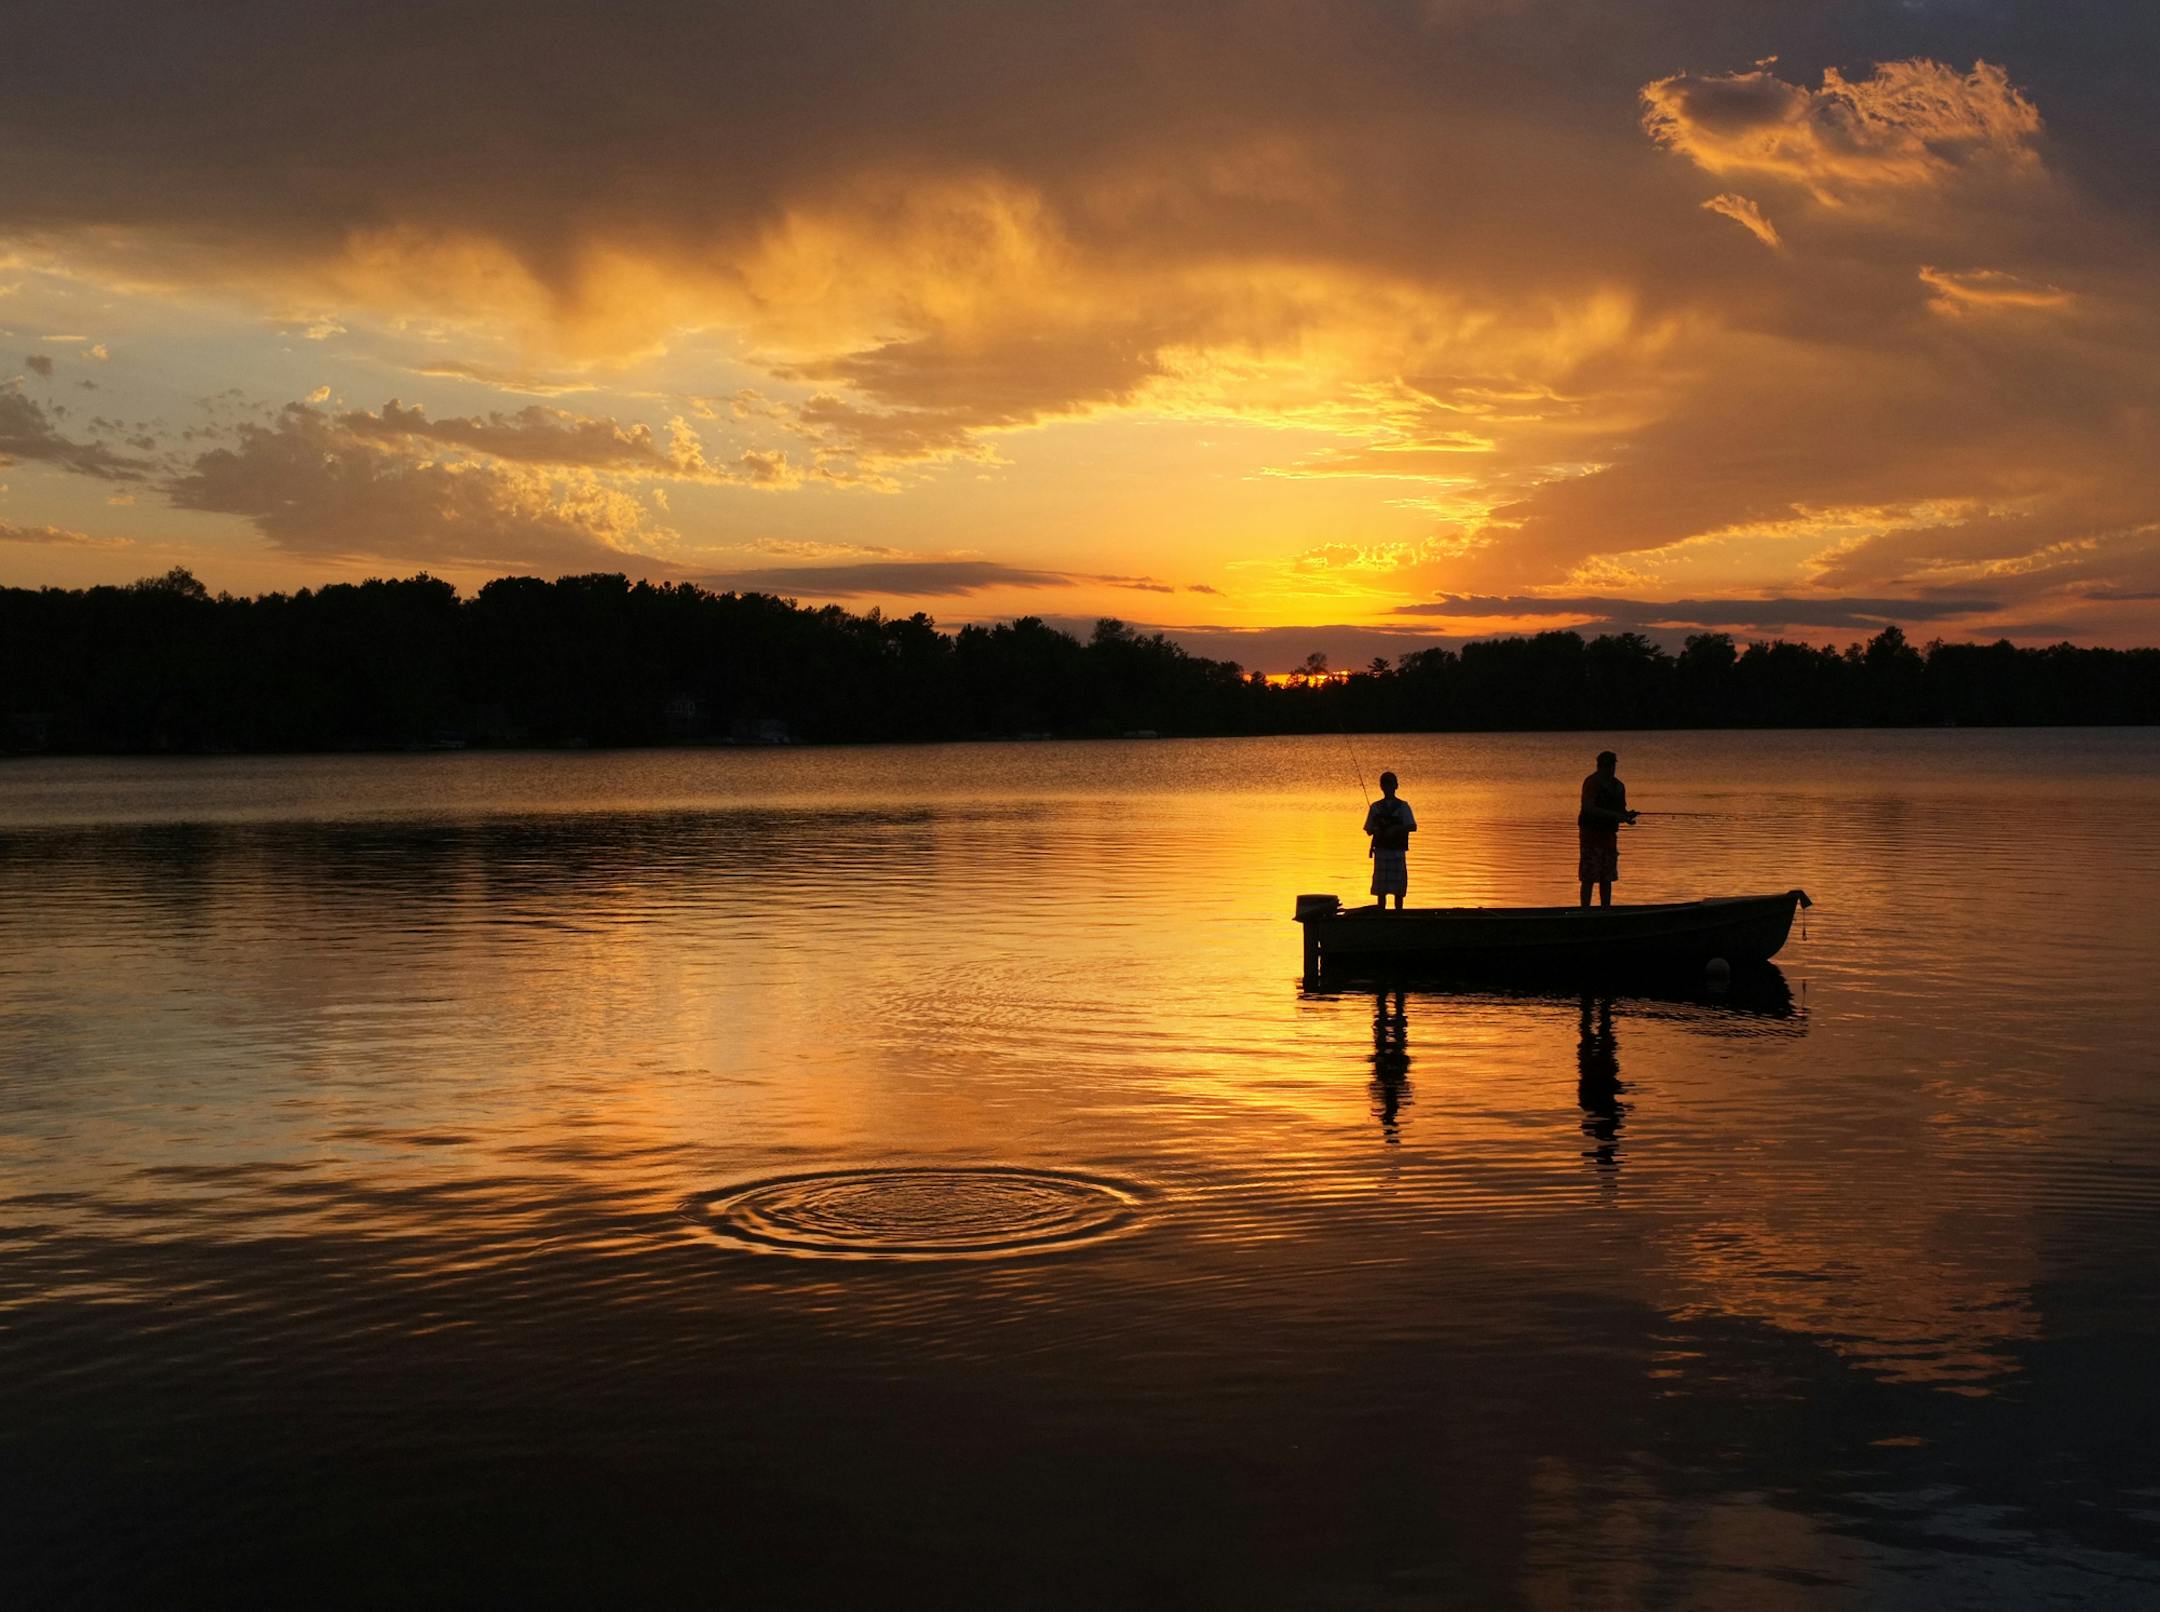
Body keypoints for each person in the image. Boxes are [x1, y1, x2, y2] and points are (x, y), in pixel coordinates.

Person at [1577, 749, 1637, 908]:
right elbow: (1589, 808)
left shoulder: (1618, 786)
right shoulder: (1592, 782)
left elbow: (1620, 811)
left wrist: (1627, 816)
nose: (1610, 768)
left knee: (1607, 877)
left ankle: (1605, 909)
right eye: (1606, 765)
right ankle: (1585, 911)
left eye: (1612, 765)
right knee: (1588, 876)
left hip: (1609, 836)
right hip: (1590, 835)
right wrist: (1615, 816)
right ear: (1599, 766)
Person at [1364, 770, 1417, 911]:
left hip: (1397, 853)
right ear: (1381, 787)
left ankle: (1398, 914)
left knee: (1398, 890)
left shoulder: (1403, 806)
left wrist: (1396, 829)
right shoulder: (1375, 808)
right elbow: (1368, 829)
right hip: (1381, 853)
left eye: (1390, 784)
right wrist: (1377, 830)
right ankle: (1382, 914)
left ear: (1396, 786)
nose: (1388, 787)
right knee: (1381, 890)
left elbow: (1412, 826)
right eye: (1385, 784)